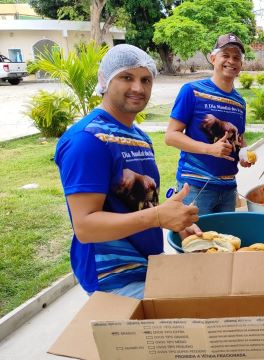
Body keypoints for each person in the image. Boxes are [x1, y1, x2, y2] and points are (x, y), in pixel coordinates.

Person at [55, 44, 200, 299]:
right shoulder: (87, 140)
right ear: (105, 80)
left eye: (146, 80)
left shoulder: (140, 137)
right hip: (114, 277)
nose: (138, 88)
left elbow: (139, 204)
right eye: (127, 77)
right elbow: (85, 226)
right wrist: (157, 217)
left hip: (148, 265)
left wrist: (172, 219)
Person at [165, 33, 252, 215]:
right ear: (213, 58)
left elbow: (239, 139)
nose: (231, 61)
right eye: (225, 55)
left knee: (224, 242)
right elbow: (171, 136)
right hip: (196, 187)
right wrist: (209, 149)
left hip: (228, 188)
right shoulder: (192, 91)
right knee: (195, 242)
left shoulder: (239, 102)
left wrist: (243, 153)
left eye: (236, 57)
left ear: (241, 65)